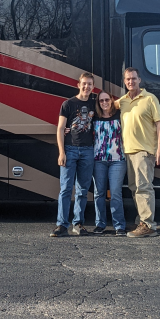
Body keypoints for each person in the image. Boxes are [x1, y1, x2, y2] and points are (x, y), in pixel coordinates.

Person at [117, 67, 160, 238]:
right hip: (128, 151)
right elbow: (104, 108)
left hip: (144, 151)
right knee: (134, 188)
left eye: (133, 78)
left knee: (143, 187)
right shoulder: (122, 101)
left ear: (139, 80)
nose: (131, 81)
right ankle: (142, 220)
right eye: (128, 79)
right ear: (124, 81)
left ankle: (148, 225)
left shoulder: (150, 99)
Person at [50, 72, 96, 237]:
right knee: (66, 189)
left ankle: (78, 224)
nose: (86, 87)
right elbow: (60, 129)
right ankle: (61, 225)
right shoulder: (68, 104)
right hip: (70, 149)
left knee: (82, 190)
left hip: (88, 150)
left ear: (93, 86)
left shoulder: (95, 104)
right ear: (78, 85)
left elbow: (110, 108)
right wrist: (61, 152)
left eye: (89, 84)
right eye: (84, 83)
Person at [91, 91, 127, 236]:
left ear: (112, 100)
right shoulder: (94, 117)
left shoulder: (120, 115)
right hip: (98, 160)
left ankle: (119, 225)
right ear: (98, 103)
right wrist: (67, 130)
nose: (104, 103)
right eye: (101, 101)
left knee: (116, 193)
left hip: (117, 160)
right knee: (98, 193)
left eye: (107, 100)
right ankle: (100, 224)